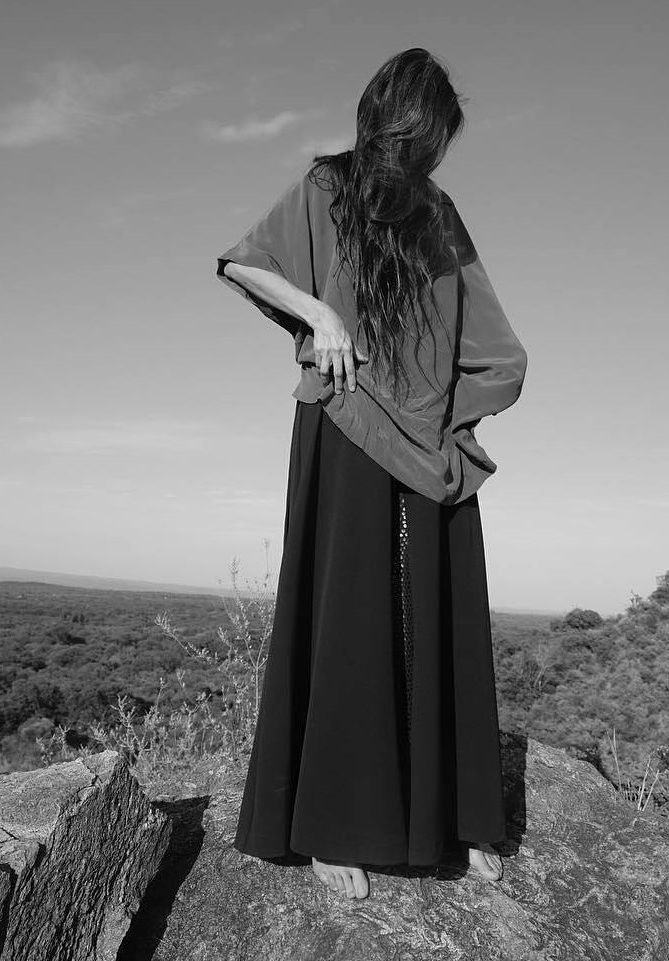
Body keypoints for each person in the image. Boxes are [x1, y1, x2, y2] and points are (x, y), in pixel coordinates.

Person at [215, 48, 528, 902]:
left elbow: (496, 349)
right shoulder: (329, 185)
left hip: (425, 438)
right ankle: (331, 825)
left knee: (435, 613)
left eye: (435, 143)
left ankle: (453, 817)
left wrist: (448, 412)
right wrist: (317, 313)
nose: (425, 154)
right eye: (421, 137)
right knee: (347, 611)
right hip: (344, 422)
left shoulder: (438, 214)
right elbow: (244, 262)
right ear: (392, 120)